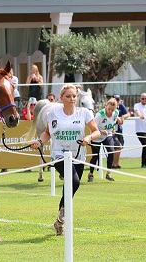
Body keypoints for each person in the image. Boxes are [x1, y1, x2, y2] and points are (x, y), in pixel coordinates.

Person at [29, 84, 100, 236]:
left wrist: (89, 137)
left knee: (70, 187)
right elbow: (47, 133)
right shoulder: (53, 114)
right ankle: (62, 218)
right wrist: (40, 142)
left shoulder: (84, 113)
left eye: (74, 96)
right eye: (68, 96)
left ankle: (59, 221)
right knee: (74, 182)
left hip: (78, 155)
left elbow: (96, 131)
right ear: (61, 98)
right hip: (59, 155)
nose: (72, 99)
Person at [87, 98, 119, 182]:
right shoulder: (99, 115)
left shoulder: (116, 113)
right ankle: (91, 173)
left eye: (112, 110)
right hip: (97, 136)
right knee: (95, 156)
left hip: (107, 135)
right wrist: (101, 131)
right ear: (106, 106)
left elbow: (114, 121)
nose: (110, 111)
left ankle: (108, 173)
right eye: (109, 109)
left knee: (111, 152)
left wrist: (112, 128)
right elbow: (93, 127)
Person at [111, 94, 130, 169]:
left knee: (120, 146)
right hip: (112, 130)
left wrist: (123, 116)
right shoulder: (110, 108)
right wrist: (118, 119)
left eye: (118, 100)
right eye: (115, 99)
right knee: (117, 147)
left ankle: (115, 163)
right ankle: (114, 164)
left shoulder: (121, 106)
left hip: (119, 130)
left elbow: (128, 114)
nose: (117, 101)